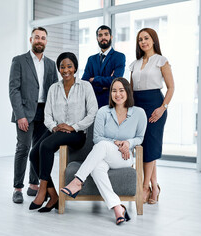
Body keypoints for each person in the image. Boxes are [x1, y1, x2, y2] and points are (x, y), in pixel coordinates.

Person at [61, 77, 147, 225]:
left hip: (124, 158)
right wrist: (115, 142)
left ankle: (77, 180)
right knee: (97, 167)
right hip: (105, 156)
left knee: (101, 148)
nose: (117, 94)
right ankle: (117, 208)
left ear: (127, 92)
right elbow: (97, 138)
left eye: (121, 90)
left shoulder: (139, 113)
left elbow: (139, 138)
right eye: (114, 91)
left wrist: (127, 143)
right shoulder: (103, 112)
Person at [29, 52, 98, 212]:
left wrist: (73, 127)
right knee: (33, 154)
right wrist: (54, 127)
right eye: (62, 67)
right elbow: (47, 115)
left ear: (75, 68)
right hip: (56, 130)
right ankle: (53, 195)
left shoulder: (85, 86)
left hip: (77, 133)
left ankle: (42, 191)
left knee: (45, 146)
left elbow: (92, 113)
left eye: (69, 66)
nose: (66, 70)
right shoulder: (54, 88)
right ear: (58, 69)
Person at [9, 27, 58, 204]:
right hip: (25, 112)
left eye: (43, 38)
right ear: (31, 40)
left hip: (44, 112)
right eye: (36, 37)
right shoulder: (19, 61)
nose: (40, 40)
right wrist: (19, 115)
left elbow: (54, 91)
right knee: (23, 149)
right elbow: (13, 90)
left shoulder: (51, 64)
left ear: (46, 41)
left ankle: (34, 185)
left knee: (38, 149)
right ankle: (17, 188)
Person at [130, 28, 175, 204]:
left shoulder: (161, 61)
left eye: (146, 38)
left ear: (153, 40)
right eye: (140, 39)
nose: (143, 42)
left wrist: (162, 108)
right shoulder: (134, 64)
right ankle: (154, 186)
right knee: (143, 147)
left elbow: (171, 88)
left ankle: (144, 187)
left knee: (150, 147)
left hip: (155, 106)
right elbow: (131, 90)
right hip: (137, 106)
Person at [82, 25, 126, 108]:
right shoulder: (91, 59)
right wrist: (104, 86)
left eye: (106, 34)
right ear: (97, 39)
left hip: (110, 103)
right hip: (93, 103)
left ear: (111, 37)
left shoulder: (119, 57)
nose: (103, 37)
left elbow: (115, 80)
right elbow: (84, 83)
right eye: (100, 35)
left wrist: (94, 79)